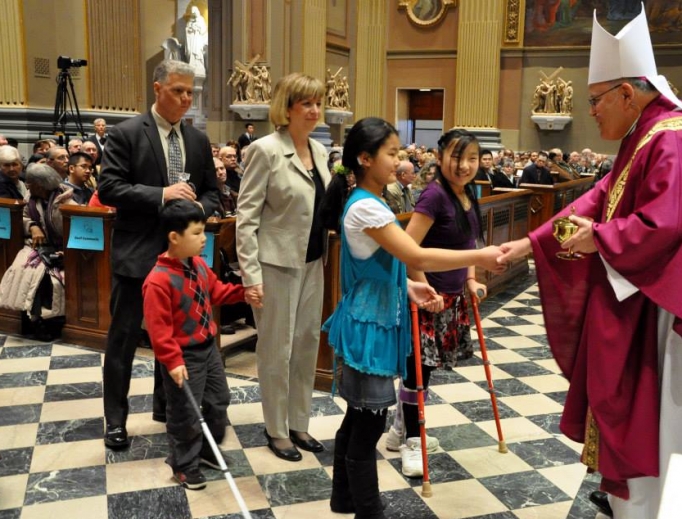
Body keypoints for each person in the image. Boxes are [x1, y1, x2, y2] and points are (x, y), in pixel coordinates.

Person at [497, 8, 682, 519]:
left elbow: (664, 223)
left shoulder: (669, 136)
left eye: (596, 100)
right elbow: (600, 197)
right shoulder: (641, 136)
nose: (592, 111)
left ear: (627, 93)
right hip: (641, 308)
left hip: (661, 320)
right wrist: (529, 244)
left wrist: (599, 239)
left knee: (659, 438)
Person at [319, 118, 504, 518]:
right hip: (370, 324)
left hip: (376, 314)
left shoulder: (370, 200)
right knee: (368, 424)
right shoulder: (365, 204)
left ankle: (344, 498)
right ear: (365, 159)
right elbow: (416, 256)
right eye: (391, 153)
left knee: (359, 416)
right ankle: (369, 510)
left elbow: (380, 264)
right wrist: (478, 257)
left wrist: (409, 287)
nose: (399, 159)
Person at [98, 59, 219, 451]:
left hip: (181, 262)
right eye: (178, 91)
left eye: (190, 92)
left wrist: (196, 209)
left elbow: (213, 193)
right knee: (124, 342)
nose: (186, 99)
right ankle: (115, 420)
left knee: (175, 340)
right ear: (157, 89)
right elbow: (111, 188)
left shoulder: (197, 140)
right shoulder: (127, 133)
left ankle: (164, 405)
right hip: (137, 256)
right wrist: (163, 195)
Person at [384, 129, 491, 478]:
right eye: (457, 158)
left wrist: (472, 278)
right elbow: (408, 248)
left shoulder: (466, 194)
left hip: (452, 299)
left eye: (472, 158)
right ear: (441, 157)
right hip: (427, 298)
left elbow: (469, 243)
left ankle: (399, 428)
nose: (464, 166)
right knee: (418, 373)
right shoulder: (434, 196)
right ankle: (413, 441)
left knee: (425, 373)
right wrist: (424, 286)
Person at [236, 72, 330, 462]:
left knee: (307, 344)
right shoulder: (265, 150)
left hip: (312, 263)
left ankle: (299, 423)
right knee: (277, 349)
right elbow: (246, 218)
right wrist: (250, 277)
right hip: (275, 265)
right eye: (305, 103)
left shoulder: (321, 152)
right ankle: (276, 429)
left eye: (317, 103)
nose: (313, 110)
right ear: (286, 108)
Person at [142, 199, 244, 490]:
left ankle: (206, 449)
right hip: (183, 356)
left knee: (218, 399)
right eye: (197, 233)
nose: (204, 239)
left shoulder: (198, 264)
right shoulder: (158, 281)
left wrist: (243, 294)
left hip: (208, 348)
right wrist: (173, 362)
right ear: (174, 237)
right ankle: (183, 464)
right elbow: (159, 332)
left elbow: (217, 292)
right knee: (185, 412)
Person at [0, 164, 76, 341]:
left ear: (40, 185)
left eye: (30, 184)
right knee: (20, 269)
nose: (27, 187)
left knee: (43, 278)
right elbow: (23, 217)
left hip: (62, 251)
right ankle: (27, 320)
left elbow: (74, 231)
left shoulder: (67, 203)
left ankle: (45, 323)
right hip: (37, 247)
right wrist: (33, 226)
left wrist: (67, 252)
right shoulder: (32, 197)